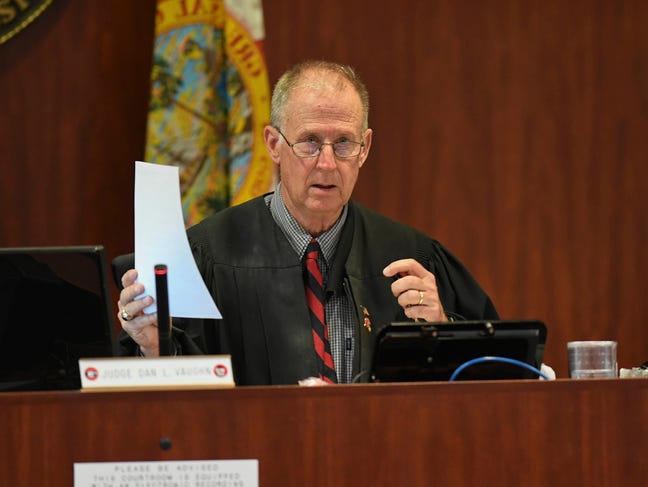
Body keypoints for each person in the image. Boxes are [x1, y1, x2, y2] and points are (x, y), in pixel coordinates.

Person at [117, 60, 498, 385]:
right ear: (273, 144)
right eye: (310, 142)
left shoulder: (413, 260)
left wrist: (442, 328)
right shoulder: (204, 258)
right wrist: (154, 349)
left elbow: (498, 374)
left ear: (365, 147)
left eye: (344, 143)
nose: (328, 163)